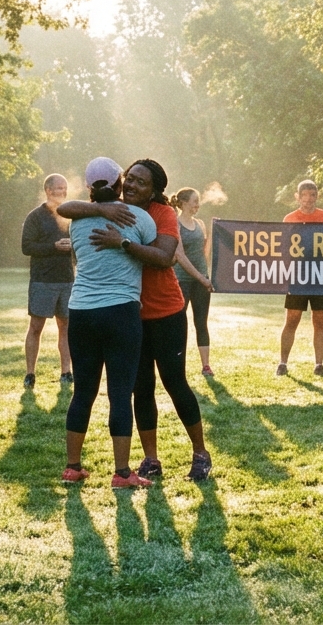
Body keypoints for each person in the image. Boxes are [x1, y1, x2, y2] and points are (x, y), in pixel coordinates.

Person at [61, 161, 213, 481]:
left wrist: (124, 243)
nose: (132, 185)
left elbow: (164, 257)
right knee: (140, 389)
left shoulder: (162, 214)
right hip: (131, 315)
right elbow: (68, 207)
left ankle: (200, 453)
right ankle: (151, 460)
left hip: (165, 311)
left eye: (141, 182)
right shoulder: (110, 208)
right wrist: (101, 212)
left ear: (154, 190)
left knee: (174, 383)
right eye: (129, 178)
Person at [58, 157, 158, 488]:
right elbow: (156, 255)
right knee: (119, 394)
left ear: (88, 188)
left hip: (82, 312)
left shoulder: (76, 222)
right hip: (121, 312)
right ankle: (122, 473)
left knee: (82, 392)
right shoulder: (140, 218)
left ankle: (73, 467)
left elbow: (74, 248)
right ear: (119, 182)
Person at [20, 173, 74, 389]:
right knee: (35, 327)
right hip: (42, 280)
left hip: (67, 279)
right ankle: (30, 373)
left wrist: (73, 246)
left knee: (66, 327)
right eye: (59, 188)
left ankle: (66, 372)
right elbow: (27, 247)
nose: (63, 191)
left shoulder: (71, 216)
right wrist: (54, 247)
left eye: (65, 188)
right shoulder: (35, 217)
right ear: (48, 190)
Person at [279, 179, 323, 377]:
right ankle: (283, 363)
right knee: (292, 319)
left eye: (312, 195)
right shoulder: (289, 219)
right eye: (304, 195)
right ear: (298, 196)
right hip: (297, 276)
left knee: (319, 320)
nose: (308, 199)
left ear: (316, 196)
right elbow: (283, 248)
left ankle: (319, 364)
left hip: (321, 276)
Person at [171, 187, 214, 376]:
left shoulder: (200, 224)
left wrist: (207, 275)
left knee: (201, 322)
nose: (197, 205)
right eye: (194, 201)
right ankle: (178, 366)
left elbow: (204, 252)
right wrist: (200, 276)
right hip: (182, 280)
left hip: (202, 281)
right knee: (179, 324)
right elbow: (180, 256)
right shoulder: (175, 225)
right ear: (184, 203)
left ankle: (206, 366)